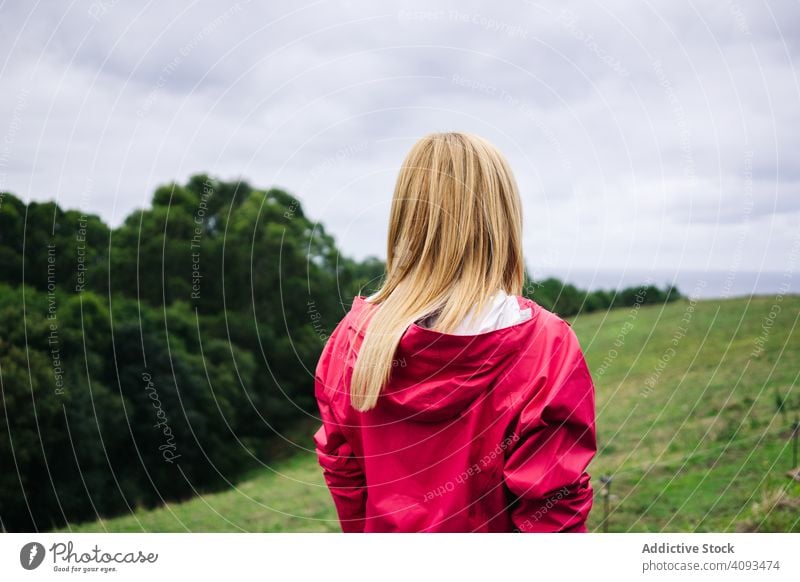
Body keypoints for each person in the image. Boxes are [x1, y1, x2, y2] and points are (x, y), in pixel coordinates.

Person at [313, 131, 596, 532]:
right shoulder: (546, 346)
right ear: (502, 217)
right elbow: (553, 511)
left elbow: (346, 477)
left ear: (406, 215)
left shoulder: (349, 340)